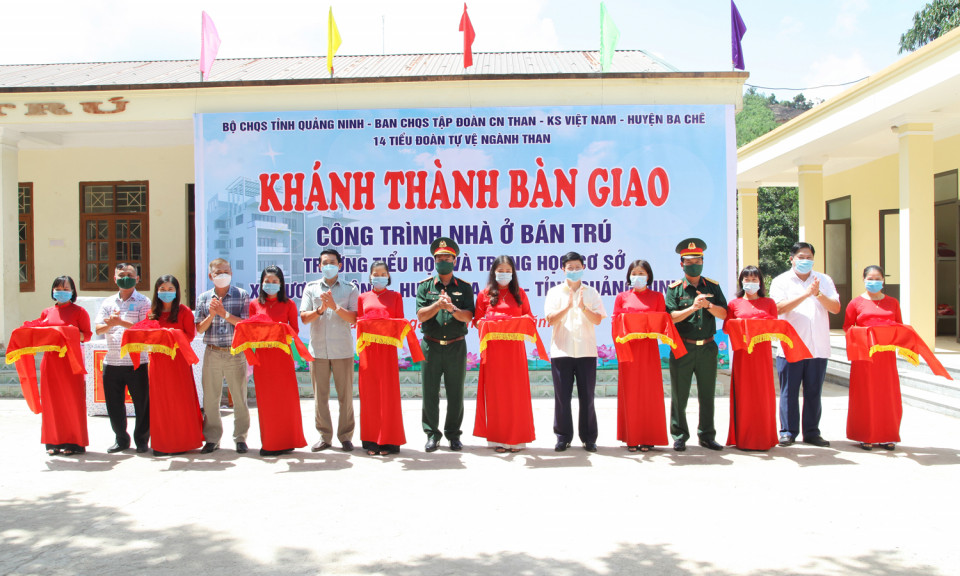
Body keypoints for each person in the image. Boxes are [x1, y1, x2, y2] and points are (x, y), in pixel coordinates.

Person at [769, 242, 840, 447]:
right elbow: (778, 308)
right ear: (791, 259)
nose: (805, 261)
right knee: (789, 391)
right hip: (790, 346)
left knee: (814, 392)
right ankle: (788, 431)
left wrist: (818, 294)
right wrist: (806, 294)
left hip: (817, 346)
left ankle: (812, 432)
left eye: (809, 257)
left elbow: (835, 307)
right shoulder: (781, 281)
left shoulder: (824, 280)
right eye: (801, 257)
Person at [665, 238, 727, 452]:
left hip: (708, 347)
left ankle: (707, 435)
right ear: (681, 264)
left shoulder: (712, 287)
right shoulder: (674, 289)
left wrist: (708, 305)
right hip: (682, 347)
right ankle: (679, 435)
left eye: (697, 260)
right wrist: (692, 308)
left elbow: (724, 313)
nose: (694, 264)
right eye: (689, 261)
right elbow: (671, 317)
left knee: (707, 394)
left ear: (702, 261)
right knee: (679, 394)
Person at [474, 255, 538, 453]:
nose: (504, 274)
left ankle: (517, 439)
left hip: (515, 352)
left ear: (513, 273)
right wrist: (491, 322)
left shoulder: (519, 293)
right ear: (494, 272)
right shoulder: (484, 294)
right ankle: (499, 439)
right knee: (496, 394)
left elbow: (529, 318)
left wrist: (512, 321)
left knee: (515, 394)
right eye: (500, 271)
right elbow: (477, 321)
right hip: (493, 352)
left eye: (507, 271)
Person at [416, 237, 475, 452]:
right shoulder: (425, 286)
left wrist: (451, 308)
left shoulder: (465, 287)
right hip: (430, 346)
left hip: (456, 347)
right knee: (429, 392)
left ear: (454, 261)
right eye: (439, 258)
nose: (443, 261)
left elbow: (468, 316)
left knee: (455, 392)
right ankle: (432, 434)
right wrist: (437, 305)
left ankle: (453, 434)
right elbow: (421, 315)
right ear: (434, 261)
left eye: (447, 258)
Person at [544, 251, 607, 452]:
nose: (574, 270)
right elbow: (550, 319)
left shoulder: (592, 292)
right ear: (563, 269)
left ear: (583, 268)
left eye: (577, 267)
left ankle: (589, 438)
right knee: (562, 398)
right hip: (561, 351)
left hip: (586, 351)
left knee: (587, 398)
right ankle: (563, 437)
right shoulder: (554, 292)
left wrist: (583, 307)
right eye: (570, 267)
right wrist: (568, 307)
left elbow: (598, 320)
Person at [300, 248, 359, 453]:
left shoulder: (350, 289)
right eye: (324, 263)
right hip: (318, 351)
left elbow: (354, 318)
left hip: (342, 350)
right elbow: (304, 318)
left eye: (332, 262)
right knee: (320, 397)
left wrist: (334, 306)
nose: (328, 266)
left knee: (346, 397)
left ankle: (345, 437)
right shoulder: (311, 288)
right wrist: (320, 309)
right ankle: (324, 437)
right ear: (319, 266)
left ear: (339, 265)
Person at [247, 265, 308, 457]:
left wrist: (279, 330)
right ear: (261, 283)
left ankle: (288, 440)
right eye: (267, 281)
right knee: (266, 400)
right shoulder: (254, 304)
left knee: (285, 399)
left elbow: (294, 331)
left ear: (281, 284)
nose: (271, 284)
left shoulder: (289, 304)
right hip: (262, 358)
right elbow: (251, 329)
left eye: (275, 281)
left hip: (282, 356)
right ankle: (270, 443)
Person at [842, 265, 903, 451]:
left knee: (887, 394)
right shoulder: (855, 303)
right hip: (864, 356)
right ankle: (865, 434)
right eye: (870, 278)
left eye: (877, 279)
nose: (874, 282)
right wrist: (864, 335)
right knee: (865, 394)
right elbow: (847, 327)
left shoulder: (892, 302)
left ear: (883, 280)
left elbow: (899, 325)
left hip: (886, 356)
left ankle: (888, 434)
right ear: (863, 279)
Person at [612, 259, 669, 452]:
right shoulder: (622, 297)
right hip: (629, 350)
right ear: (629, 276)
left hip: (649, 348)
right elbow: (615, 322)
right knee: (630, 393)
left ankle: (648, 437)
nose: (637, 277)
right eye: (634, 273)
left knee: (649, 392)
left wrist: (644, 323)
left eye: (641, 273)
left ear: (649, 276)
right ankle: (632, 437)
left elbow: (662, 321)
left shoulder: (657, 297)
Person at [94, 263, 152, 453]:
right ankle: (121, 439)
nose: (125, 278)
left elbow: (145, 329)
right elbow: (98, 329)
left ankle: (142, 440)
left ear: (137, 278)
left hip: (136, 361)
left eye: (129, 274)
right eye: (121, 275)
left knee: (142, 403)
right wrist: (111, 325)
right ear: (114, 278)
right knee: (114, 404)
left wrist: (120, 322)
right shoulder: (108, 303)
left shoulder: (144, 301)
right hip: (112, 361)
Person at [195, 258, 250, 454]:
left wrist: (224, 313)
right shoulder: (204, 298)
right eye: (218, 272)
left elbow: (244, 325)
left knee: (239, 398)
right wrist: (212, 314)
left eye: (225, 271)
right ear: (211, 276)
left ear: (231, 273)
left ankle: (240, 438)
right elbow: (199, 328)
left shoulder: (241, 295)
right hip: (213, 352)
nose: (222, 275)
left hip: (235, 352)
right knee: (211, 399)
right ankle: (212, 439)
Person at [723, 266, 781, 451]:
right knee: (744, 395)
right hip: (743, 355)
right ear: (741, 282)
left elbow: (774, 326)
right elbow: (726, 328)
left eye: (754, 279)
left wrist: (757, 324)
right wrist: (741, 324)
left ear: (760, 282)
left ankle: (764, 437)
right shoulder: (734, 304)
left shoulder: (769, 303)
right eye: (747, 279)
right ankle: (744, 438)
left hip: (762, 355)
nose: (750, 283)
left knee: (763, 394)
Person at [146, 275, 204, 456]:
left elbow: (190, 335)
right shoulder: (152, 313)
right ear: (156, 291)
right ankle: (161, 444)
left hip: (178, 361)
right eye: (162, 289)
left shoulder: (184, 311)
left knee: (180, 401)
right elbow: (147, 335)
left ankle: (182, 442)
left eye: (170, 289)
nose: (166, 292)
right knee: (160, 403)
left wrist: (171, 335)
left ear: (177, 291)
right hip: (158, 362)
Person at [35, 276, 92, 456]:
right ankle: (53, 442)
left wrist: (68, 333)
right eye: (58, 289)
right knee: (51, 402)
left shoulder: (79, 312)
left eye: (66, 289)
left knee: (72, 401)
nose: (61, 292)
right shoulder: (46, 312)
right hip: (51, 361)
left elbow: (87, 336)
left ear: (72, 291)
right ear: (53, 291)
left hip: (71, 361)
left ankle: (73, 442)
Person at [356, 262, 408, 456]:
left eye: (383, 274)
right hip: (368, 351)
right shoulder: (362, 297)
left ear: (388, 276)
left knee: (388, 394)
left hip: (387, 351)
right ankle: (371, 441)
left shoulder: (395, 297)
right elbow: (359, 323)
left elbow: (400, 323)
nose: (379, 277)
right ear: (370, 276)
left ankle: (389, 441)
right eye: (375, 274)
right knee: (369, 395)